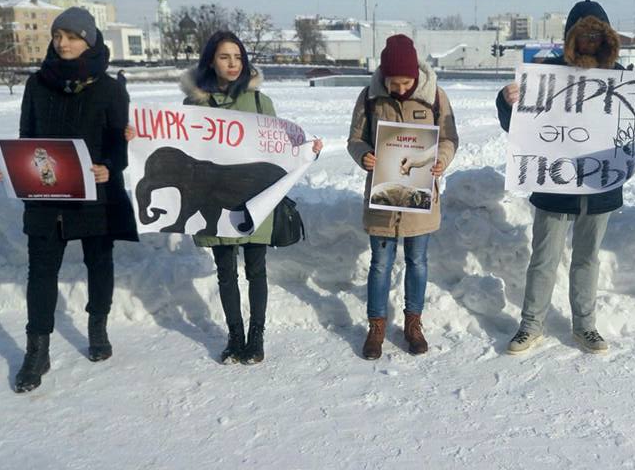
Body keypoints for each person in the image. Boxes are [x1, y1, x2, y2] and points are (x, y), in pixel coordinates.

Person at [495, 0, 635, 354]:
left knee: (587, 258)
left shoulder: (624, 79)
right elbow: (519, 129)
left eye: (596, 33)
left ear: (607, 37)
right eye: (582, 33)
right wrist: (506, 101)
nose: (589, 40)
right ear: (570, 36)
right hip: (554, 186)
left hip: (600, 185)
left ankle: (585, 326)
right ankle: (531, 325)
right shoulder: (547, 75)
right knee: (544, 258)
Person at [0, 7, 138, 392]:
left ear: (88, 40)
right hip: (46, 194)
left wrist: (110, 166)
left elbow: (119, 143)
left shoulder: (109, 88)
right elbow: (27, 137)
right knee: (40, 271)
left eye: (72, 36)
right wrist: (12, 166)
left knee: (99, 262)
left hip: (94, 192)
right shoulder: (37, 84)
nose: (64, 43)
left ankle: (97, 327)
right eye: (58, 36)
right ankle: (37, 350)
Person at [167, 31, 323, 365]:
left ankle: (256, 337)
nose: (233, 64)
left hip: (254, 200)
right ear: (211, 60)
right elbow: (179, 148)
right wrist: (139, 137)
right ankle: (234, 337)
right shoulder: (196, 105)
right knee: (226, 272)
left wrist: (308, 148)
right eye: (225, 57)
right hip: (213, 199)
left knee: (256, 270)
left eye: (238, 57)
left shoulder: (259, 102)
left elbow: (281, 147)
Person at [347, 34, 459, 360]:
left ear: (415, 75)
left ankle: (413, 324)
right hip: (382, 199)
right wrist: (364, 154)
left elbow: (450, 138)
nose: (399, 88)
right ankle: (376, 326)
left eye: (405, 81)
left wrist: (442, 159)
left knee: (417, 262)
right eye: (393, 83)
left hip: (419, 201)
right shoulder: (370, 97)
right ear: (384, 76)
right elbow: (355, 139)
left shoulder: (435, 96)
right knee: (380, 264)